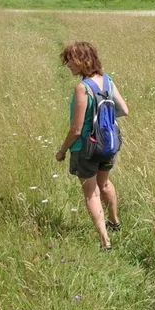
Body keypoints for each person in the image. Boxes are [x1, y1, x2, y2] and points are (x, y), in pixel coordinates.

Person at [55, 41, 129, 250]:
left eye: (71, 60)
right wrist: (103, 119)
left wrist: (62, 151)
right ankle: (115, 223)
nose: (68, 64)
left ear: (83, 61)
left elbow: (76, 129)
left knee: (91, 193)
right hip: (109, 143)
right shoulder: (107, 81)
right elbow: (124, 110)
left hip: (86, 147)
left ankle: (105, 242)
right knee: (104, 183)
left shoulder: (83, 88)